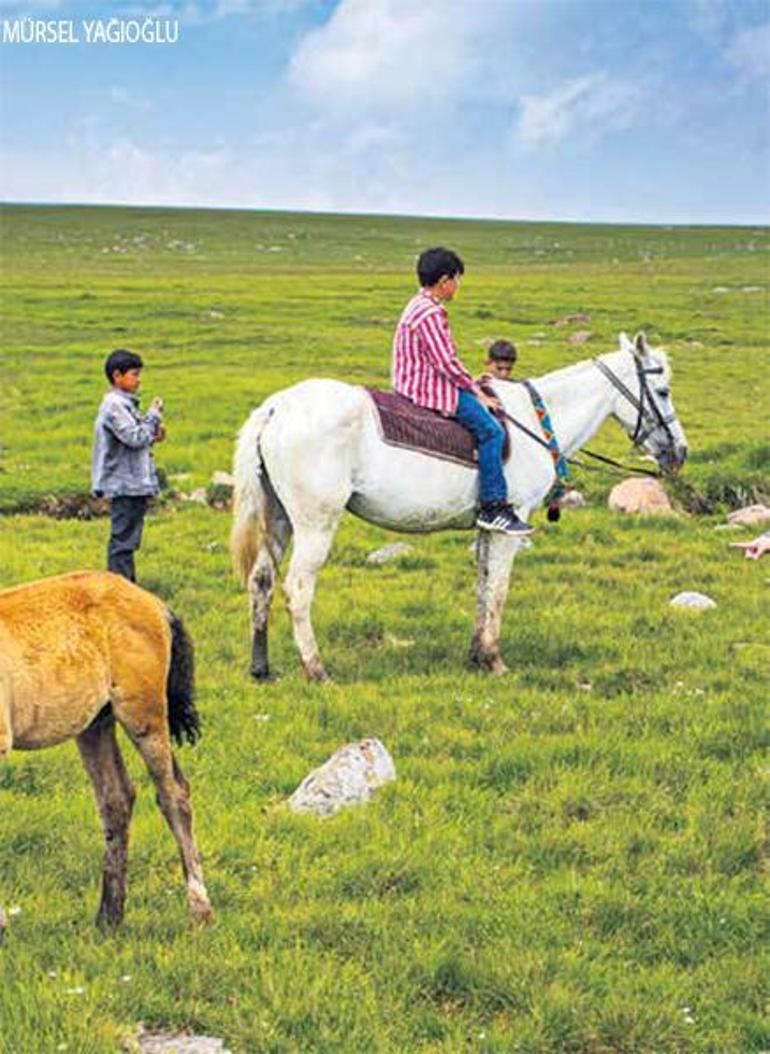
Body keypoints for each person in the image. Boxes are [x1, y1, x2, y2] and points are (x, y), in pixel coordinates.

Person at [392, 247, 533, 535]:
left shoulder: (417, 303)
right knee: (492, 430)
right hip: (426, 386)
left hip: (411, 378)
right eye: (457, 279)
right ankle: (493, 506)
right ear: (445, 281)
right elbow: (446, 362)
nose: (458, 286)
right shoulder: (430, 313)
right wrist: (476, 391)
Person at [91, 349, 165, 581]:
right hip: (124, 483)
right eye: (134, 374)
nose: (138, 379)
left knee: (128, 538)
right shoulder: (114, 405)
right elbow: (134, 437)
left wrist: (154, 433)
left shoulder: (124, 404)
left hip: (132, 483)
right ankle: (120, 589)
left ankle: (125, 587)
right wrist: (153, 416)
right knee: (123, 540)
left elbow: (137, 438)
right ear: (117, 376)